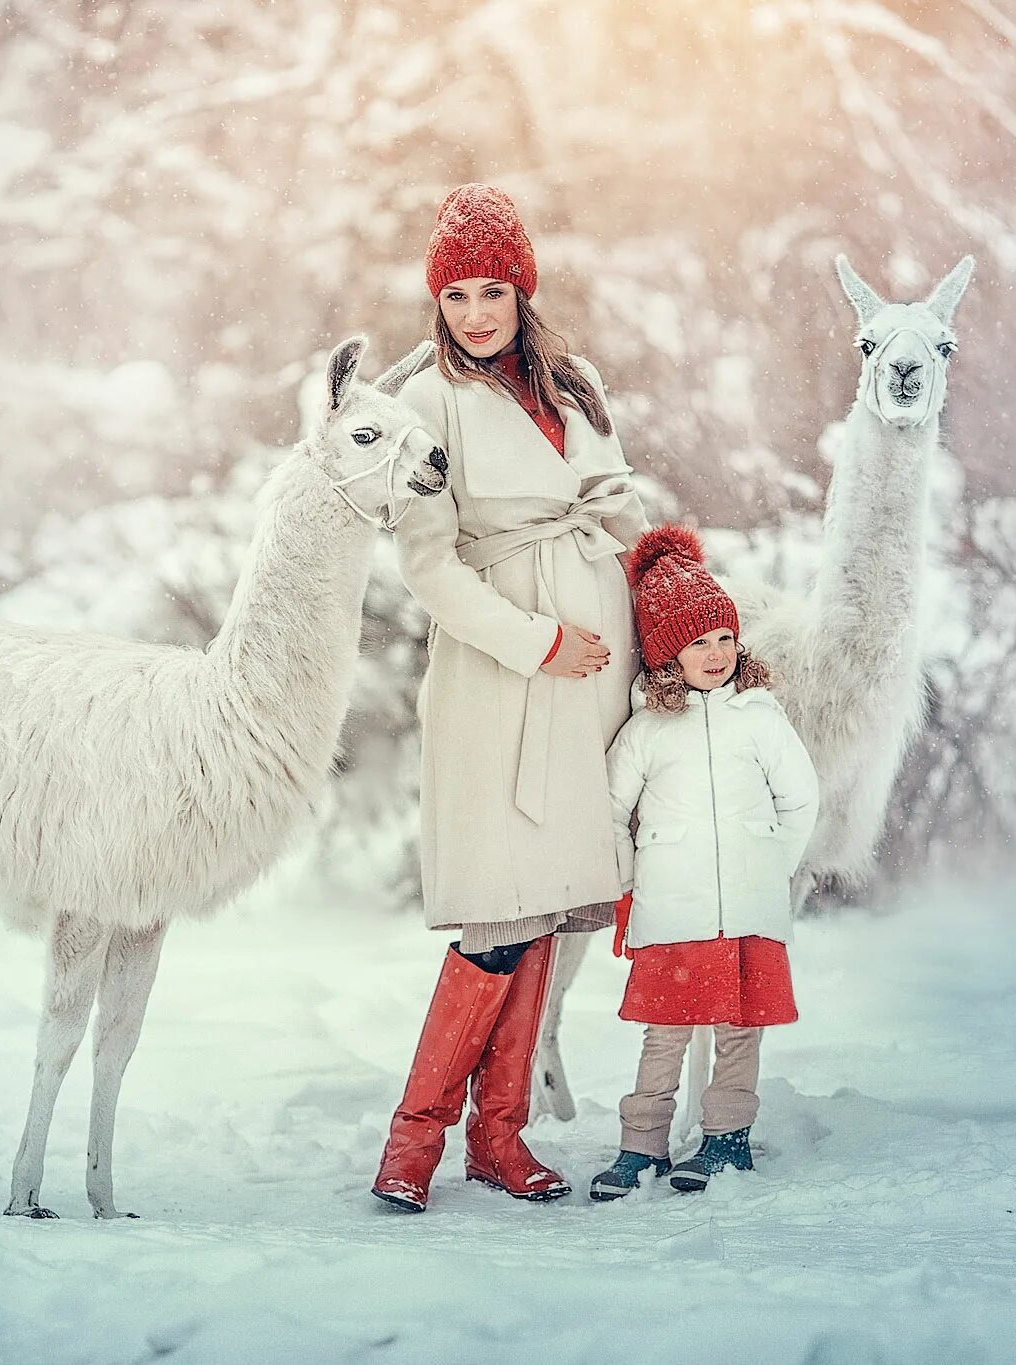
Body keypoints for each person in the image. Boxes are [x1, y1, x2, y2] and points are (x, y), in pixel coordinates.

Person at [370, 184, 648, 1213]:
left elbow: (617, 505)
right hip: (501, 676)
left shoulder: (574, 387)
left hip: (594, 675)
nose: (475, 314)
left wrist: (668, 588)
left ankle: (500, 1138)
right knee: (494, 913)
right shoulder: (422, 407)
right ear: (435, 304)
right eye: (455, 296)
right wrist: (536, 642)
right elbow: (429, 569)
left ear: (522, 292)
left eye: (492, 291)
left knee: (545, 912)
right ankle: (411, 1146)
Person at [588, 526, 819, 1201]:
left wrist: (768, 865)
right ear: (667, 655)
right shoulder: (646, 732)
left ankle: (725, 1139)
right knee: (666, 1034)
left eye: (724, 638)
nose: (715, 654)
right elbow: (608, 808)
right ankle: (642, 1145)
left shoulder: (760, 717)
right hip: (674, 910)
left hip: (746, 908)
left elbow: (801, 798)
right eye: (697, 642)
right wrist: (633, 877)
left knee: (738, 1031)